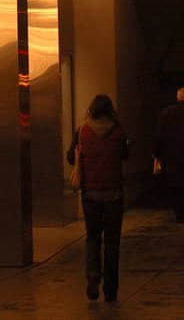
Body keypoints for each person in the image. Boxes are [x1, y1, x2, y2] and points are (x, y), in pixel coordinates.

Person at [67, 94, 130, 302]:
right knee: (112, 243)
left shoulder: (82, 131)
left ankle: (93, 279)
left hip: (90, 195)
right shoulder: (118, 131)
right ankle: (110, 288)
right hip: (114, 194)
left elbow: (70, 157)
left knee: (93, 238)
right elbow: (125, 155)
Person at [153, 85, 184, 222]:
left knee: (175, 186)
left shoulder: (166, 113)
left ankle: (179, 214)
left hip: (171, 157)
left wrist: (157, 154)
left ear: (177, 97)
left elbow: (159, 135)